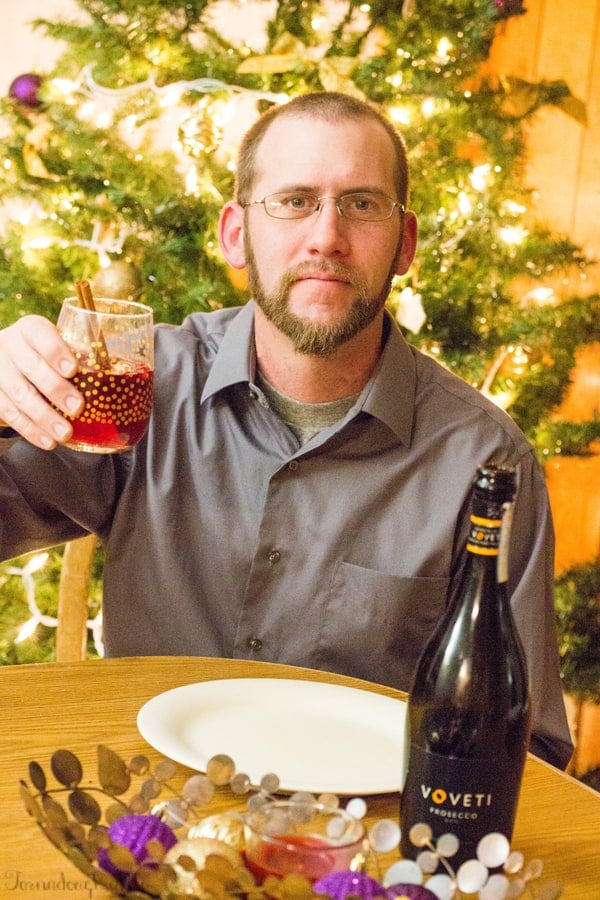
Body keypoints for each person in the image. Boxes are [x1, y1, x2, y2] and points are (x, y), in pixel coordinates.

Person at [0, 92, 572, 769]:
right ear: (235, 234)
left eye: (361, 204)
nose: (326, 235)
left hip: (353, 851)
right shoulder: (138, 383)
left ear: (405, 243)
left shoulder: (484, 462)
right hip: (141, 820)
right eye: (294, 201)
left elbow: (521, 750)